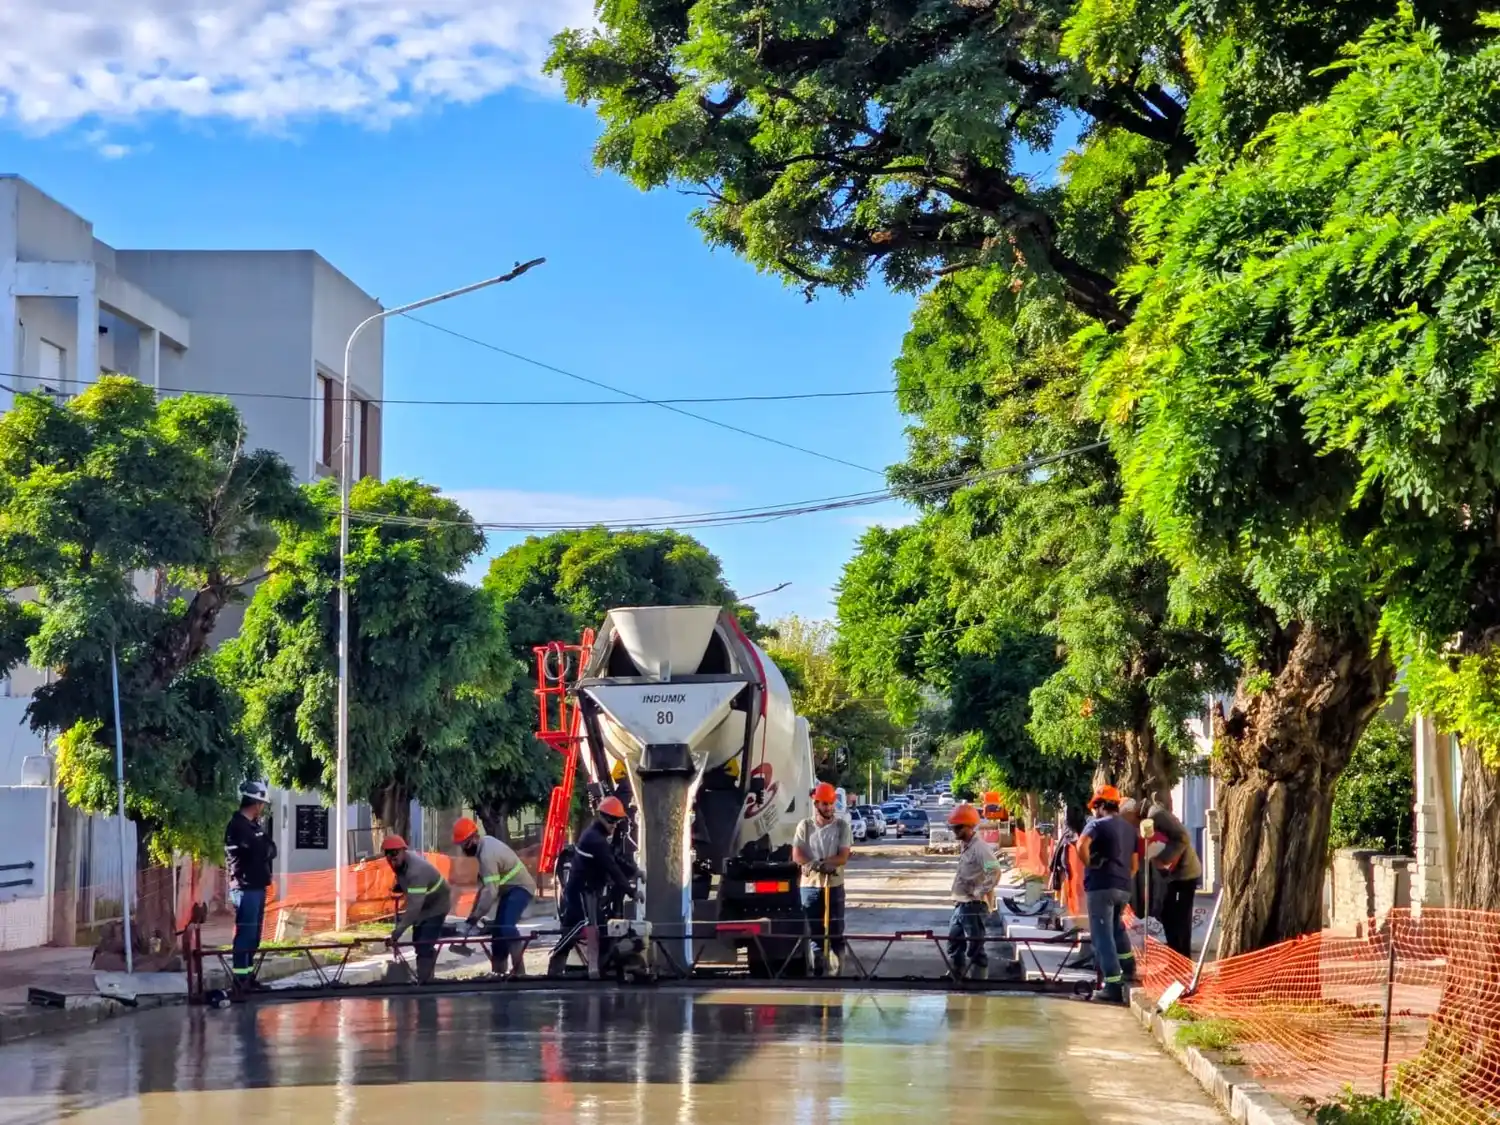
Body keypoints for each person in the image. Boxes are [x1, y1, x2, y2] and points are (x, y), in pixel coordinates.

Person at [548, 796, 638, 977]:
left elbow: (613, 858)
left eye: (617, 821)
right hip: (583, 892)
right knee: (592, 928)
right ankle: (593, 970)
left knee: (573, 928)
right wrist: (631, 891)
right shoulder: (595, 839)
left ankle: (557, 971)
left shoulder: (598, 836)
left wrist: (634, 871)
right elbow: (611, 867)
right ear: (602, 817)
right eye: (612, 820)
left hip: (584, 891)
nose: (614, 824)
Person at [453, 817, 537, 979]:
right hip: (509, 891)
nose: (464, 849)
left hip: (521, 888)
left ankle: (520, 973)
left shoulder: (486, 855)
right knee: (498, 932)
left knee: (506, 927)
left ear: (475, 837)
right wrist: (472, 915)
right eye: (462, 845)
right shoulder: (484, 845)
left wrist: (477, 915)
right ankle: (498, 973)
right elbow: (484, 888)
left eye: (465, 844)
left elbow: (491, 892)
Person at [1079, 785, 1139, 1003]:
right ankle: (1129, 968)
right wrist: (1122, 878)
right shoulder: (1130, 829)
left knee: (1102, 935)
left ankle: (1112, 985)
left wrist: (1089, 863)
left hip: (1101, 887)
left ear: (1100, 805)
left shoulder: (1096, 824)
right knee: (1116, 929)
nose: (1095, 810)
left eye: (1096, 806)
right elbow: (1134, 865)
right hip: (1123, 887)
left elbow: (1081, 845)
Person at [792, 781, 852, 977]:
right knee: (815, 930)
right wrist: (818, 865)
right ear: (816, 804)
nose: (828, 808)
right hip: (810, 887)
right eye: (824, 804)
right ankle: (819, 967)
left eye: (831, 803)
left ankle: (839, 966)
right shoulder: (805, 826)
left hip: (834, 885)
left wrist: (821, 863)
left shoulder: (842, 826)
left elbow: (842, 856)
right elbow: (797, 855)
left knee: (835, 927)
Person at [224, 780, 277, 991]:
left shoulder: (253, 826)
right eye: (261, 804)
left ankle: (248, 977)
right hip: (245, 888)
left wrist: (263, 849)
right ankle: (240, 980)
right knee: (245, 935)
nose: (262, 808)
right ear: (256, 804)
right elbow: (259, 851)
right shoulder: (237, 827)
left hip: (257, 886)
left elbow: (270, 849)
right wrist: (262, 849)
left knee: (254, 937)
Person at [383, 835, 453, 985]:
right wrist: (401, 886)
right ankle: (425, 977)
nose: (391, 858)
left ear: (403, 851)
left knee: (424, 943)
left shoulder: (416, 871)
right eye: (387, 854)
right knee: (418, 941)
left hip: (437, 906)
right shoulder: (401, 864)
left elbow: (414, 908)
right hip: (424, 904)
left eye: (395, 853)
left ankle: (426, 981)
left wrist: (398, 931)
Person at [946, 803, 1002, 981]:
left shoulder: (980, 848)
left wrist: (979, 892)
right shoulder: (966, 845)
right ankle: (957, 974)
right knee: (954, 941)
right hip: (961, 904)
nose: (954, 831)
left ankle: (979, 980)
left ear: (969, 827)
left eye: (958, 827)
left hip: (974, 905)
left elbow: (994, 871)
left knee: (975, 945)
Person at [1146, 802, 1203, 958]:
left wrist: (1164, 859)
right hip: (1170, 876)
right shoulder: (1144, 821)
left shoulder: (1156, 815)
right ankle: (1175, 956)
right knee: (1166, 913)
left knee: (1179, 918)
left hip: (1184, 875)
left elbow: (1183, 838)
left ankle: (1182, 958)